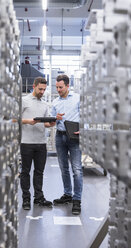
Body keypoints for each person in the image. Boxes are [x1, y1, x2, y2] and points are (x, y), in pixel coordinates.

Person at [20, 77, 55, 210]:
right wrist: (28, 121)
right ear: (34, 86)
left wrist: (50, 124)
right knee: (25, 172)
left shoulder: (45, 104)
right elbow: (13, 119)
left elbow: (45, 124)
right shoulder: (24, 101)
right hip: (26, 142)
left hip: (41, 143)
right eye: (40, 89)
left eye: (44, 90)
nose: (42, 92)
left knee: (39, 172)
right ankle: (26, 199)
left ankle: (39, 198)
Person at [51, 74, 83, 215]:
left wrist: (83, 128)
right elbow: (51, 122)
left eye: (61, 87)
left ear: (68, 86)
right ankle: (67, 195)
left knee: (76, 169)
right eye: (57, 87)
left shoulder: (77, 98)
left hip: (74, 137)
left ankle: (77, 200)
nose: (58, 90)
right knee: (64, 168)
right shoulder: (55, 102)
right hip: (60, 136)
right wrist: (54, 119)